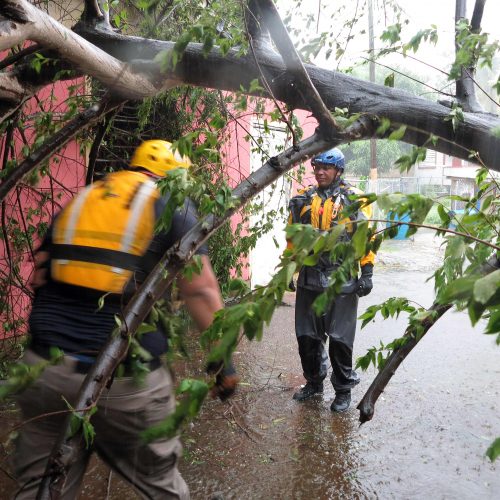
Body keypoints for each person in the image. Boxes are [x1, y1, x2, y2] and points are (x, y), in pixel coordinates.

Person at [13, 140, 238, 499]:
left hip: (45, 371)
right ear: (177, 176)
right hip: (123, 380)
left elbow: (39, 276)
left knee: (41, 488)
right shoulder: (173, 203)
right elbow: (201, 291)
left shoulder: (83, 198)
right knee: (160, 485)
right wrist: (224, 364)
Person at [287, 147, 374, 412]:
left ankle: (343, 390)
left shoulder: (354, 199)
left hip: (342, 278)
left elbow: (365, 238)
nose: (320, 172)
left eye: (326, 167)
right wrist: (290, 269)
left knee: (339, 339)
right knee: (307, 336)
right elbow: (293, 238)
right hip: (310, 278)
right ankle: (314, 383)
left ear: (338, 170)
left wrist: (367, 272)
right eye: (317, 167)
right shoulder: (302, 199)